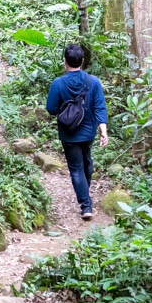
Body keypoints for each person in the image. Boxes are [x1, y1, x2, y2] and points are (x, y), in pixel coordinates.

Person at [45, 43, 108, 220]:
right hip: (88, 131)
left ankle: (85, 205)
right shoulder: (93, 81)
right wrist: (103, 130)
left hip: (68, 132)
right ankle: (85, 196)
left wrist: (65, 111)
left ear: (65, 61)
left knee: (76, 167)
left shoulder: (58, 83)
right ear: (82, 60)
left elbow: (51, 108)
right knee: (86, 161)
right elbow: (99, 107)